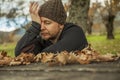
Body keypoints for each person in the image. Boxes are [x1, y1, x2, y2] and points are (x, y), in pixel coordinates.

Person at [15, 0, 88, 57]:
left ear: (61, 25)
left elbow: (55, 52)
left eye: (47, 23)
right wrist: (34, 26)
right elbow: (19, 54)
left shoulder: (75, 32)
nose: (41, 27)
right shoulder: (43, 40)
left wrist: (37, 54)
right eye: (40, 23)